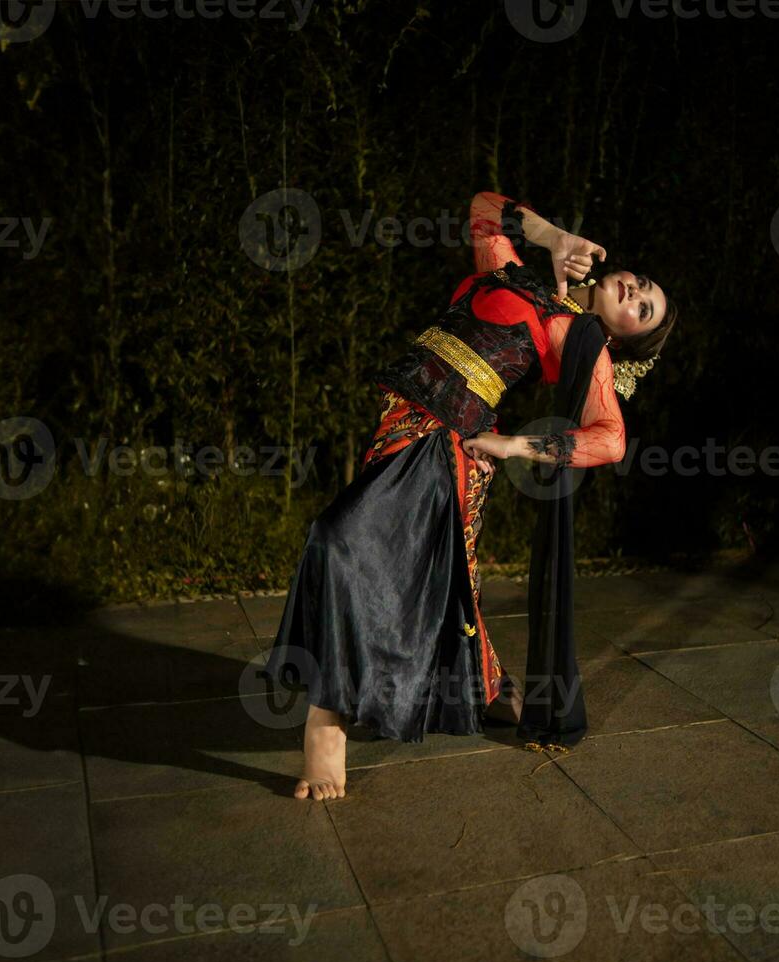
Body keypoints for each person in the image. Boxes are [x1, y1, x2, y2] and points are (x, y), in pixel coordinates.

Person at [266, 190, 678, 800]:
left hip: (443, 450)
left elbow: (611, 439)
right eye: (640, 284)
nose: (633, 293)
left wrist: (517, 446)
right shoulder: (512, 271)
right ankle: (487, 689)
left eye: (643, 308)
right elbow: (485, 206)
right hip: (400, 427)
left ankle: (326, 731)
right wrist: (554, 237)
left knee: (339, 542)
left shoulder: (579, 339)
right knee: (429, 583)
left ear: (623, 339)